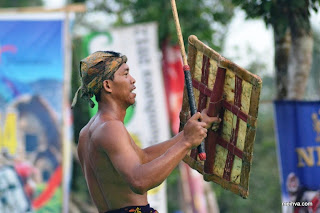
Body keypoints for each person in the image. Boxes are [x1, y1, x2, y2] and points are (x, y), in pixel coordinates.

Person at [71, 51, 221, 213]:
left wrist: (188, 133)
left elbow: (143, 158)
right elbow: (139, 181)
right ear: (108, 85)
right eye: (125, 74)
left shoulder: (87, 132)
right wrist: (186, 143)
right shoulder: (110, 127)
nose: (133, 80)